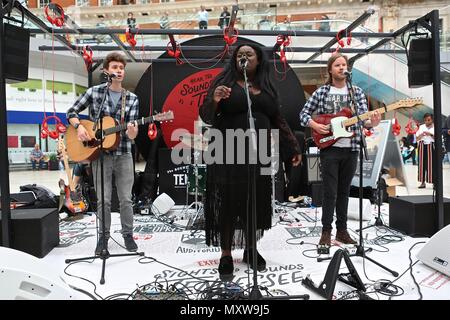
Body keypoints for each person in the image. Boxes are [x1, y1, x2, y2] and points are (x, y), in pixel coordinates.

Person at [199, 43, 301, 279]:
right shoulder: (223, 85)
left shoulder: (266, 88)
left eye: (249, 54)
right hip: (227, 151)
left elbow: (278, 119)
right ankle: (226, 254)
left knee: (254, 202)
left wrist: (292, 147)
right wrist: (214, 100)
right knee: (227, 203)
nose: (243, 57)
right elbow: (207, 116)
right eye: (239, 55)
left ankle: (250, 249)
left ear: (258, 60)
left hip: (258, 155)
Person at [299, 53, 381, 247]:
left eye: (344, 64)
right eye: (337, 65)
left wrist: (372, 123)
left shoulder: (357, 92)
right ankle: (326, 231)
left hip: (351, 148)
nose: (342, 67)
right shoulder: (322, 92)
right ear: (330, 69)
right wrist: (315, 126)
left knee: (344, 191)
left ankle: (342, 231)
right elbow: (303, 114)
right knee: (330, 192)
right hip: (330, 147)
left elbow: (363, 119)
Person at [67, 52, 139, 254]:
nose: (119, 71)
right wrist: (80, 127)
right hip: (99, 155)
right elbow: (71, 111)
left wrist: (133, 131)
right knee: (104, 200)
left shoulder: (131, 98)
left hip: (124, 153)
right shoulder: (94, 92)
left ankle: (128, 235)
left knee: (126, 198)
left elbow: (132, 133)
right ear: (106, 71)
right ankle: (103, 239)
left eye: (121, 68)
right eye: (115, 67)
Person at [416, 113, 435, 189]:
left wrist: (430, 134)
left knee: (432, 165)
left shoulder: (435, 127)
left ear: (432, 120)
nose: (427, 121)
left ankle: (434, 182)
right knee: (421, 165)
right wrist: (422, 135)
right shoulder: (421, 127)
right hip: (422, 146)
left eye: (428, 120)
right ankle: (422, 182)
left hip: (431, 146)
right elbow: (417, 138)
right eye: (425, 120)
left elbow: (437, 138)